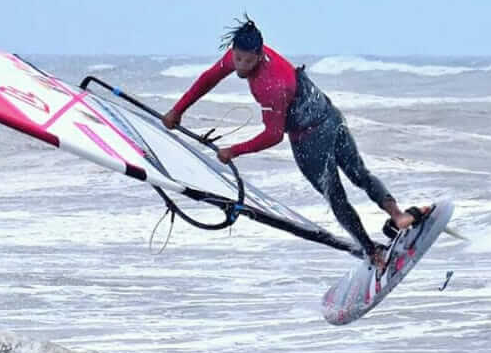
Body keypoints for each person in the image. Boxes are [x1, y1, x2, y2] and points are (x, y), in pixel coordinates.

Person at [162, 16, 428, 269]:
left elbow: (273, 135)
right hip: (330, 115)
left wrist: (234, 151)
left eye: (246, 61)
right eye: (237, 58)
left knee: (335, 196)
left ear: (258, 55)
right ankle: (398, 216)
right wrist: (178, 110)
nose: (240, 66)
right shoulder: (244, 53)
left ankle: (373, 253)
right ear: (234, 50)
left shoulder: (271, 85)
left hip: (310, 138)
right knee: (359, 174)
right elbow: (209, 77)